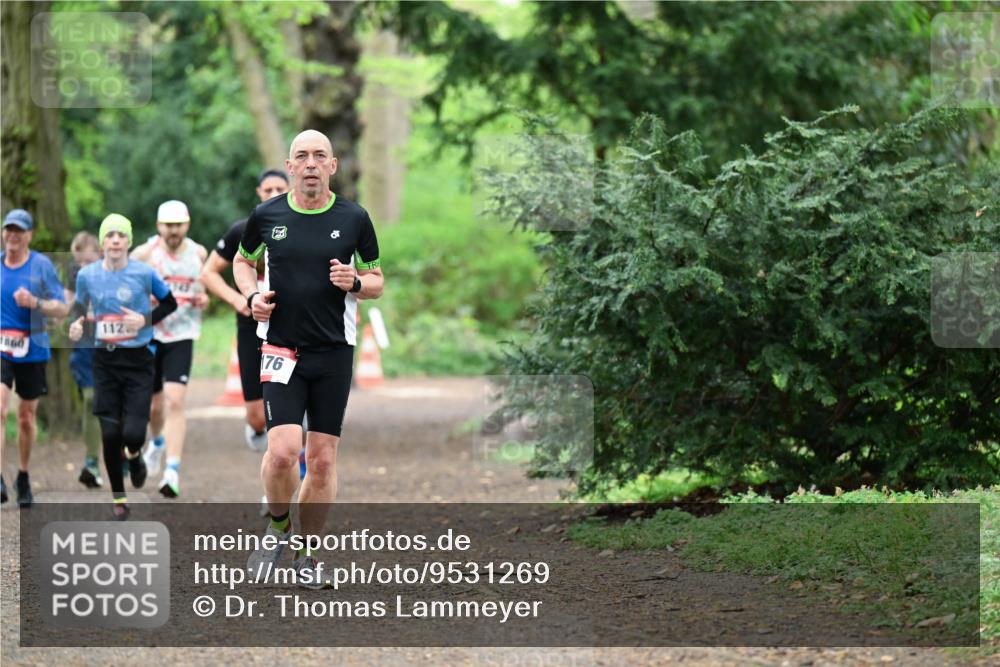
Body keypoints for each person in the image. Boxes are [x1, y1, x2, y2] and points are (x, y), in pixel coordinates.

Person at [236, 130, 383, 587]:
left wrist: (354, 282)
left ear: (333, 166)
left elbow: (378, 280)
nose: (312, 164)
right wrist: (250, 296)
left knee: (320, 462)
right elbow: (243, 262)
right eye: (303, 156)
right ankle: (278, 526)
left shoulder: (354, 217)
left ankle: (308, 554)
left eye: (321, 156)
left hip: (334, 354)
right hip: (281, 348)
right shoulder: (266, 215)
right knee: (281, 452)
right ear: (291, 165)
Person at [68, 214, 177, 520]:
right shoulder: (87, 275)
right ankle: (119, 497)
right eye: (109, 235)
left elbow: (170, 304)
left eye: (121, 235)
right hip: (104, 361)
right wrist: (77, 324)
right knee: (109, 432)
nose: (115, 240)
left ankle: (135, 454)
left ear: (128, 242)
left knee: (131, 433)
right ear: (102, 243)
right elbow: (80, 307)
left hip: (139, 361)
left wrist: (144, 320)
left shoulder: (144, 273)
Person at [200, 170, 289, 452]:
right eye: (268, 190)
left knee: (291, 402)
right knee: (257, 415)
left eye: (280, 189)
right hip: (251, 324)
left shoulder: (300, 229)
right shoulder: (243, 230)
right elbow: (209, 272)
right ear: (258, 193)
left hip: (289, 324)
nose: (274, 195)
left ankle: (288, 452)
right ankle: (257, 428)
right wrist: (238, 299)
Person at [132, 200, 208, 498]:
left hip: (182, 334)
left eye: (178, 225)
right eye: (168, 225)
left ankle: (172, 470)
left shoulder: (198, 253)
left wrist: (203, 300)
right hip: (150, 335)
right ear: (158, 226)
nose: (173, 231)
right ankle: (158, 443)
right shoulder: (143, 254)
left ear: (187, 225)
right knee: (154, 406)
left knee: (175, 401)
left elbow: (202, 290)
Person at [0, 209, 69, 506]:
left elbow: (62, 308)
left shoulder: (41, 266)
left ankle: (23, 475)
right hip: (2, 348)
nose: (13, 235)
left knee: (26, 417)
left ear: (29, 235)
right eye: (8, 230)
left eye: (19, 231)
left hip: (32, 349)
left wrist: (35, 302)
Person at [65, 231, 104, 489]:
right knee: (91, 400)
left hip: (112, 348)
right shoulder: (73, 278)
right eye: (79, 263)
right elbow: (66, 306)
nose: (83, 268)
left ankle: (124, 451)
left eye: (88, 262)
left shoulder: (112, 276)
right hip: (84, 349)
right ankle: (91, 462)